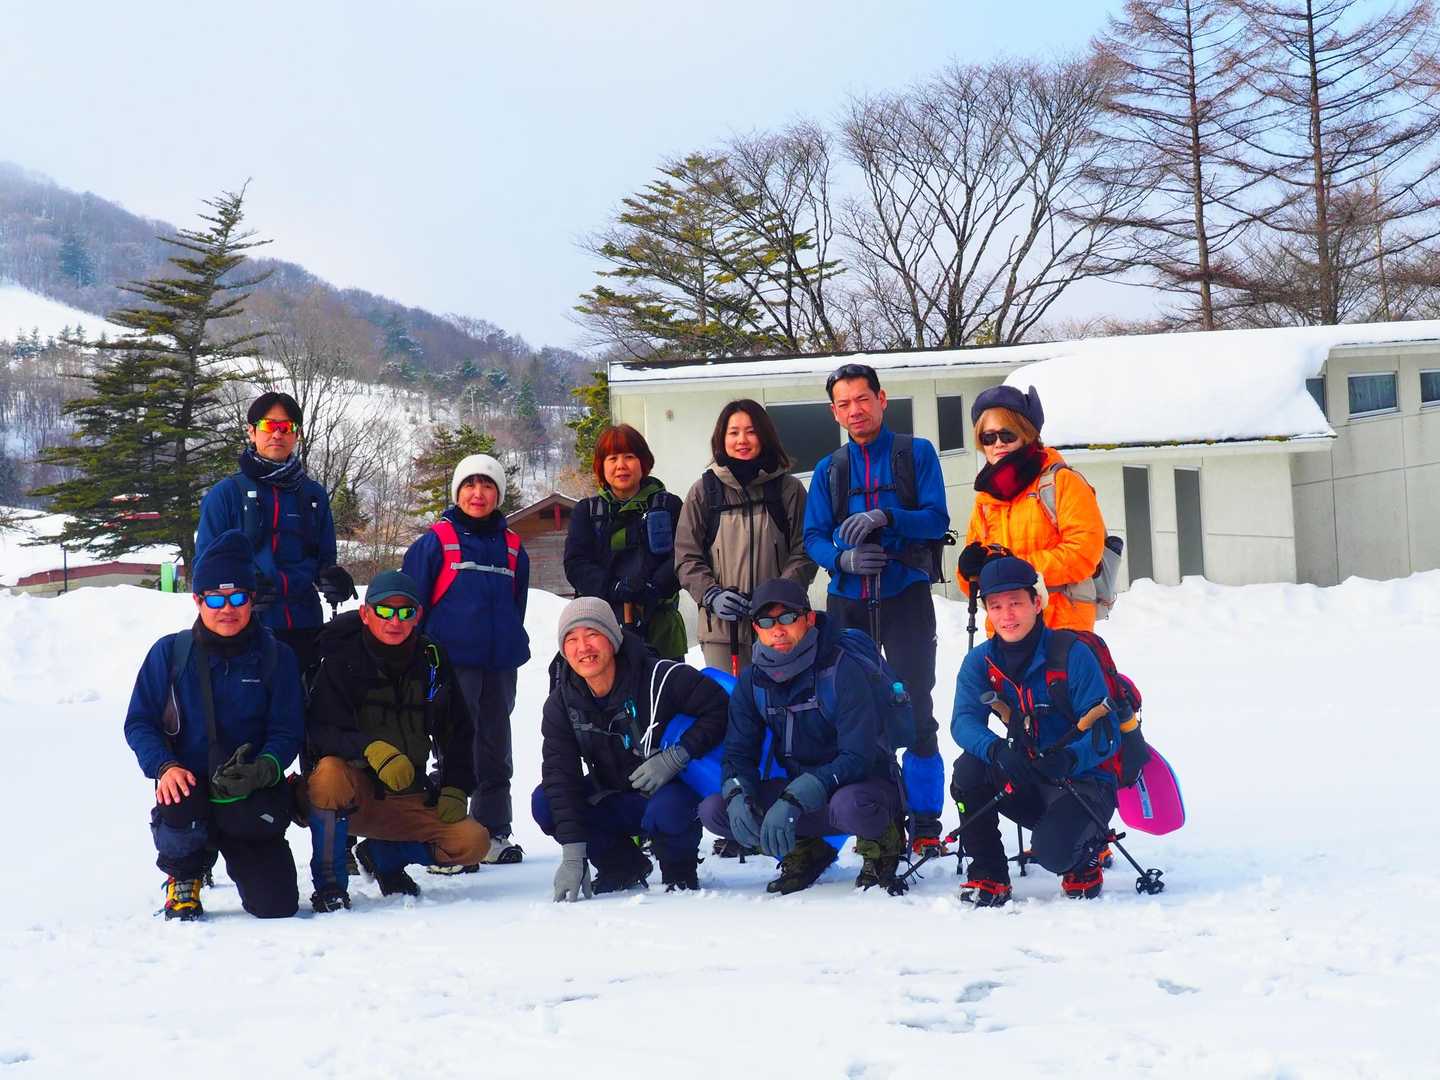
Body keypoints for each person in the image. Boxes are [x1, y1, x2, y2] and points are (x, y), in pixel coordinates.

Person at [802, 363, 949, 850]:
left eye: (862, 399)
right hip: (849, 602)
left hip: (905, 596)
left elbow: (936, 519)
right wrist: (840, 558)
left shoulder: (915, 453)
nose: (855, 410)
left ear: (882, 399)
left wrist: (886, 515)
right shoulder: (829, 469)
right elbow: (812, 537)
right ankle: (870, 816)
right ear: (834, 412)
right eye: (844, 404)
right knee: (851, 710)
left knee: (916, 703)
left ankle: (925, 820)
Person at [123, 529, 304, 921]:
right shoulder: (170, 653)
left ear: (251, 599)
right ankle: (185, 870)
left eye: (237, 597)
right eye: (216, 599)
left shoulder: (277, 657)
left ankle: (245, 853)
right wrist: (164, 767)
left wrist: (264, 768)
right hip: (189, 790)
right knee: (180, 795)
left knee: (277, 907)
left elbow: (288, 730)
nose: (227, 609)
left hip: (247, 795)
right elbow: (139, 722)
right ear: (198, 600)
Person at [698, 579, 908, 896]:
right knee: (716, 810)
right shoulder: (752, 681)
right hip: (800, 795)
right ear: (755, 628)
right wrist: (737, 793)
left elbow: (859, 756)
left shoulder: (842, 668)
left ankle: (883, 846)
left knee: (851, 805)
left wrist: (796, 797)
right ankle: (806, 851)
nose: (777, 630)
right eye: (766, 622)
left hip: (864, 787)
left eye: (787, 618)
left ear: (809, 619)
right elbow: (738, 753)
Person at [301, 570, 490, 909]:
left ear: (418, 615)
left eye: (405, 612)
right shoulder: (341, 658)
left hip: (408, 793)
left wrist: (456, 785)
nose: (395, 621)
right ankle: (330, 886)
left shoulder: (432, 659)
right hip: (352, 796)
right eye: (385, 611)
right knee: (328, 773)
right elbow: (320, 730)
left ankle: (383, 855)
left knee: (472, 842)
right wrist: (371, 750)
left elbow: (458, 729)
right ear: (365, 614)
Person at [949, 556, 1120, 906]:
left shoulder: (1072, 654)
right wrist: (996, 750)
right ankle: (989, 873)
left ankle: (1085, 855)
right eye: (996, 606)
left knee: (1054, 854)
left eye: (1015, 603)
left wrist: (1070, 758)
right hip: (1025, 775)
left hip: (1083, 783)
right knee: (968, 770)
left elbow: (1107, 733)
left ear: (1037, 602)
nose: (1006, 615)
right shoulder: (980, 662)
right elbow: (963, 722)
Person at [537, 597, 728, 898]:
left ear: (612, 639)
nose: (583, 647)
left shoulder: (661, 677)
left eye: (592, 634)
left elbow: (722, 709)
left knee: (669, 809)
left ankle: (680, 871)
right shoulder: (562, 704)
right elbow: (560, 776)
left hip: (669, 793)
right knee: (546, 802)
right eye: (571, 639)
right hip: (615, 795)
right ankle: (621, 866)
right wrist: (573, 854)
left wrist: (677, 756)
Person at [402, 453, 530, 865]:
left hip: (499, 664)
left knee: (495, 748)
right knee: (453, 746)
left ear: (499, 494)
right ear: (457, 492)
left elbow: (517, 605)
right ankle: (444, 832)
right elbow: (411, 608)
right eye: (470, 485)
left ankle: (492, 831)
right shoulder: (435, 542)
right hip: (451, 664)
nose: (478, 493)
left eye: (488, 485)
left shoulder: (514, 547)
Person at [196, 391, 353, 674]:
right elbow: (203, 570)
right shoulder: (226, 495)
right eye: (269, 425)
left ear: (297, 434)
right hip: (246, 629)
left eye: (286, 427)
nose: (277, 434)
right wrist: (242, 584)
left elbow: (325, 560)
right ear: (252, 431)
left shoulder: (313, 495)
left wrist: (333, 580)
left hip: (305, 627)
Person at [675, 399, 816, 674]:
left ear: (765, 436)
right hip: (723, 633)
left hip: (782, 626)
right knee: (730, 699)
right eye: (734, 432)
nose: (742, 440)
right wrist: (711, 594)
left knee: (785, 698)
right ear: (721, 438)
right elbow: (685, 556)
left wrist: (778, 597)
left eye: (751, 431)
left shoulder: (788, 489)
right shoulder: (704, 492)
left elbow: (805, 549)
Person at [956, 384, 1106, 633]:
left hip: (1061, 629)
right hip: (1005, 632)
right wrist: (967, 571)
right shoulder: (986, 500)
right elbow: (974, 585)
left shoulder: (1061, 482)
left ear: (1026, 433)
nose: (998, 444)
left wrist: (1013, 567)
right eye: (988, 437)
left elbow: (1084, 554)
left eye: (1007, 435)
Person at [564, 424, 686, 660]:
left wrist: (653, 587)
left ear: (643, 462)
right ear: (601, 466)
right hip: (603, 627)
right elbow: (576, 564)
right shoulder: (587, 512)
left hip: (661, 627)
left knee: (665, 683)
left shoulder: (669, 506)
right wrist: (613, 587)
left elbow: (683, 556)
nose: (621, 465)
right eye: (612, 458)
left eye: (629, 456)